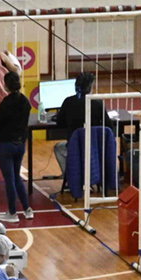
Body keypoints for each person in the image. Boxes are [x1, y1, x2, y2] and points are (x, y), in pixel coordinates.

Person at [50, 71, 110, 203]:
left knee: (58, 148)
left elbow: (60, 122)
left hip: (74, 147)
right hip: (95, 149)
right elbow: (108, 125)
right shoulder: (98, 103)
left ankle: (72, 176)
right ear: (90, 87)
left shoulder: (68, 102)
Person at [0, 68, 34, 221]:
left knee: (9, 178)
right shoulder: (25, 102)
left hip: (5, 145)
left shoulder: (5, 104)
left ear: (6, 85)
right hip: (20, 144)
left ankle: (12, 212)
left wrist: (1, 139)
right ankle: (27, 209)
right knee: (16, 176)